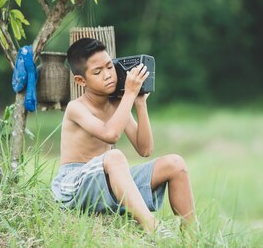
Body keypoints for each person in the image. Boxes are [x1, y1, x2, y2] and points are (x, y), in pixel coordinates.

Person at [51, 38, 197, 237]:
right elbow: (110, 135)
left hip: (108, 179)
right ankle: (152, 227)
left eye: (110, 66)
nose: (108, 75)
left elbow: (144, 149)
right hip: (74, 184)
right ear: (81, 80)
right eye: (97, 72)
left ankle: (192, 237)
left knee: (175, 164)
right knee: (115, 156)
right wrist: (128, 93)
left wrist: (139, 103)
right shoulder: (76, 107)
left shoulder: (117, 104)